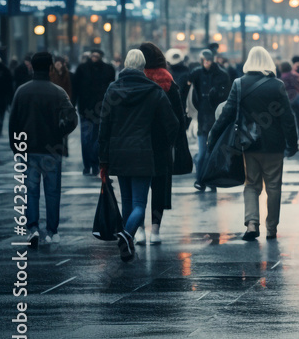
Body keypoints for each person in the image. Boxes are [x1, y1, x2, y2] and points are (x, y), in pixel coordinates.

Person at [210, 47, 298, 241]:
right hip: (274, 146)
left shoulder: (239, 84)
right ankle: (272, 228)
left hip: (248, 144)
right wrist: (293, 143)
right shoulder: (277, 85)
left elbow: (227, 114)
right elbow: (287, 117)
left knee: (251, 184)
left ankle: (252, 223)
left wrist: (213, 135)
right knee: (274, 187)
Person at [99, 50, 179, 262]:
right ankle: (126, 235)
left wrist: (103, 158)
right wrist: (162, 143)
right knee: (139, 204)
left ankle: (128, 242)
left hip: (118, 153)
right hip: (144, 152)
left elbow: (103, 126)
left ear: (125, 64)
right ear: (143, 67)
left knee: (127, 201)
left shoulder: (113, 89)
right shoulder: (153, 91)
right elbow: (172, 123)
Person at [8, 52, 78, 247]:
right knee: (53, 191)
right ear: (50, 67)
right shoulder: (58, 92)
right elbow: (73, 119)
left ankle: (32, 228)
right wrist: (59, 133)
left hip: (28, 148)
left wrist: (16, 146)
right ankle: (52, 231)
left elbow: (14, 122)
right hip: (51, 149)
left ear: (31, 66)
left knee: (31, 190)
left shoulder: (22, 91)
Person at [137, 43, 188, 245]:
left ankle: (139, 229)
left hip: (138, 142)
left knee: (138, 188)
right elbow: (178, 117)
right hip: (161, 144)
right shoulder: (167, 81)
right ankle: (155, 230)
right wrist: (175, 141)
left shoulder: (134, 80)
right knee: (159, 187)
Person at [189, 49, 231, 189]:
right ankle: (201, 181)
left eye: (208, 61)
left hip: (215, 118)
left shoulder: (221, 75)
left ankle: (207, 181)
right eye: (204, 61)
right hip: (204, 118)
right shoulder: (198, 73)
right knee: (203, 154)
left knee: (210, 153)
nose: (206, 63)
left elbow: (226, 96)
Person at [73, 49, 116, 176]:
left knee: (95, 138)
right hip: (89, 108)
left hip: (98, 108)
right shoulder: (83, 69)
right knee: (88, 139)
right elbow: (76, 88)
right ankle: (89, 165)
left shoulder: (107, 69)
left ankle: (93, 164)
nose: (94, 57)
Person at [0, 55, 14, 137]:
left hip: (2, 96)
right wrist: (10, 100)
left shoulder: (5, 70)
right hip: (2, 97)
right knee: (1, 113)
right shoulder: (5, 70)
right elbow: (9, 86)